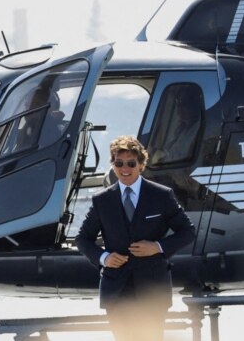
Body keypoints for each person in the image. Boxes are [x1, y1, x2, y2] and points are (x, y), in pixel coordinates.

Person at [75, 135, 196, 341]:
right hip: (116, 290)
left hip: (152, 289)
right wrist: (104, 258)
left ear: (141, 164)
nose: (125, 168)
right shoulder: (102, 200)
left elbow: (188, 232)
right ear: (113, 165)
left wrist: (157, 246)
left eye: (131, 163)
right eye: (119, 163)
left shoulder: (162, 195)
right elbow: (82, 239)